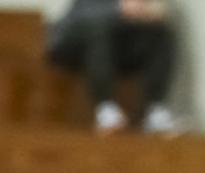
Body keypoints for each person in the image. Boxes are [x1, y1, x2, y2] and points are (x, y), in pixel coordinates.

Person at [46, 0, 179, 134]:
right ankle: (106, 109)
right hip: (75, 46)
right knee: (98, 28)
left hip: (115, 50)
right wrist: (119, 9)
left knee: (161, 31)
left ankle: (155, 109)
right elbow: (79, 17)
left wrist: (149, 13)